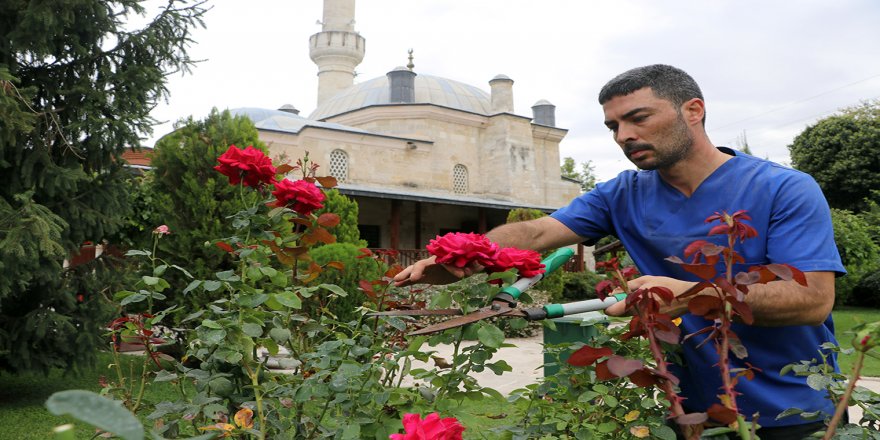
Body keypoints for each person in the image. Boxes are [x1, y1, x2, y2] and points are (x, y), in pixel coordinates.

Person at [393, 64, 845, 439]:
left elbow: (811, 300)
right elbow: (534, 233)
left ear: (694, 110)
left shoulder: (783, 188)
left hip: (793, 408)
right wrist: (460, 255)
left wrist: (687, 293)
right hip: (687, 409)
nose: (623, 136)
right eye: (613, 126)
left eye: (639, 118)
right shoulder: (623, 194)